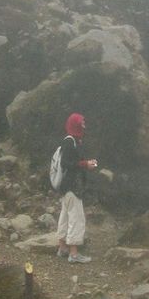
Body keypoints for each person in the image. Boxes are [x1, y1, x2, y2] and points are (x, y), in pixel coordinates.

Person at [56, 112, 98, 263]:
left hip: (66, 186)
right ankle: (73, 254)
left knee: (65, 216)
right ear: (76, 125)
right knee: (77, 218)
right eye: (82, 123)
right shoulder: (70, 141)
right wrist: (85, 164)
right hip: (73, 186)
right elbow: (66, 163)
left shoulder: (71, 141)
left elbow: (69, 162)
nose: (84, 126)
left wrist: (86, 163)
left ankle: (62, 248)